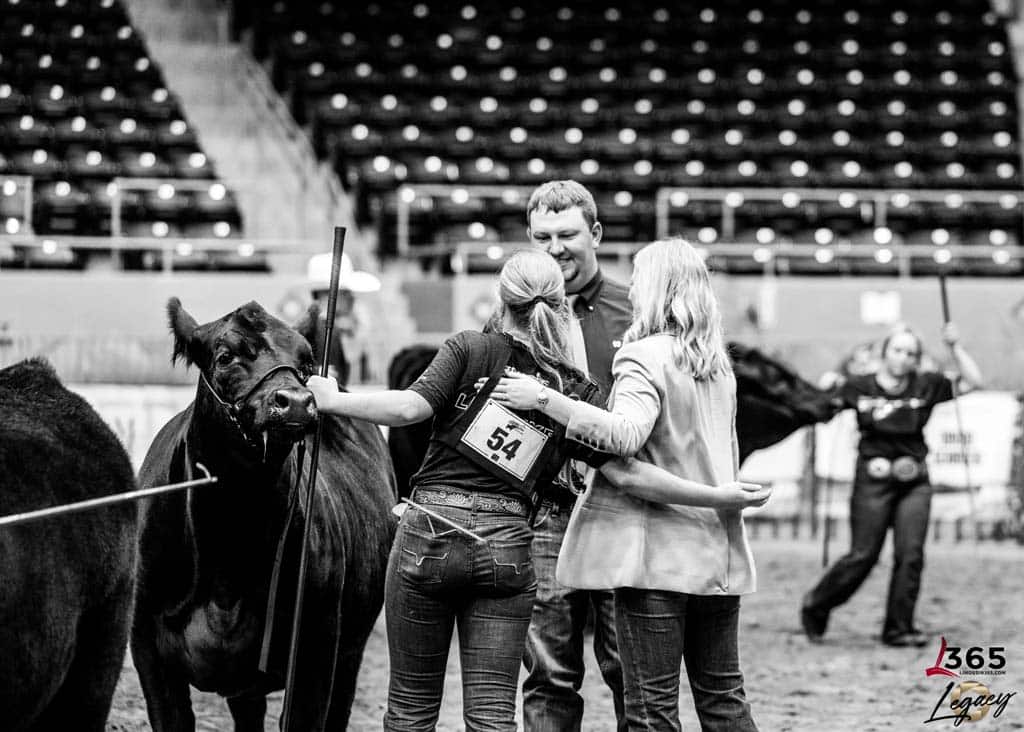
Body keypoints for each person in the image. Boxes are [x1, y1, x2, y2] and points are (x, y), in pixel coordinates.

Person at [306, 250, 611, 731]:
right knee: (492, 717)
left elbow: (409, 409)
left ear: (501, 298)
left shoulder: (469, 348)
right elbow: (614, 451)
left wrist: (334, 401)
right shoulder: (572, 387)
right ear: (560, 306)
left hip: (428, 531)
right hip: (508, 546)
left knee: (410, 710)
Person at [489, 238, 769, 731]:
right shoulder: (716, 365)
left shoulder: (644, 356)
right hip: (715, 554)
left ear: (658, 287)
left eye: (640, 279)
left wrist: (546, 399)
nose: (634, 289)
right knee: (723, 696)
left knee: (650, 709)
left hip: (657, 557)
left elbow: (623, 435)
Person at [522, 180, 632, 731]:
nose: (554, 248)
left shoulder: (637, 311)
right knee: (548, 674)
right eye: (542, 236)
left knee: (629, 670)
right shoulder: (512, 317)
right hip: (547, 510)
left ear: (596, 233)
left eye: (567, 235)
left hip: (623, 505)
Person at [801, 323, 983, 647]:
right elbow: (820, 403)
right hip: (872, 479)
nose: (903, 358)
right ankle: (817, 604)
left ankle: (898, 628)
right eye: (897, 350)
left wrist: (955, 347)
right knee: (863, 554)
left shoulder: (927, 384)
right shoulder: (859, 386)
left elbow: (973, 382)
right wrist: (826, 386)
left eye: (911, 353)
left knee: (910, 554)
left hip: (915, 481)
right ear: (885, 352)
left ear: (917, 359)